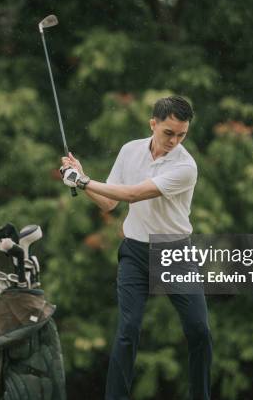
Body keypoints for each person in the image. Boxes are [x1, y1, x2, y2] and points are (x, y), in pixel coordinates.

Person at [60, 96, 213, 400]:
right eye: (169, 132)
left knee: (199, 330)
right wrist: (81, 178)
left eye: (182, 134)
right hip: (135, 252)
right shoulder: (130, 150)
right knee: (128, 329)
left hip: (174, 253)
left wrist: (82, 180)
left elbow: (132, 194)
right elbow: (108, 203)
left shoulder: (185, 166)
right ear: (153, 124)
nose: (174, 140)